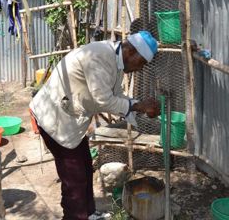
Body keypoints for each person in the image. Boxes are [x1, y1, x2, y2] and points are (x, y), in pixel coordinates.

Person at [29, 31, 160, 220]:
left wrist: (139, 105)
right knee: (74, 177)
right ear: (131, 51)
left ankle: (89, 214)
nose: (139, 69)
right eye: (140, 63)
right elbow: (103, 100)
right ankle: (75, 217)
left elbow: (116, 96)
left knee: (85, 167)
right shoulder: (99, 56)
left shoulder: (116, 61)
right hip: (54, 119)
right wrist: (139, 106)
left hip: (69, 119)